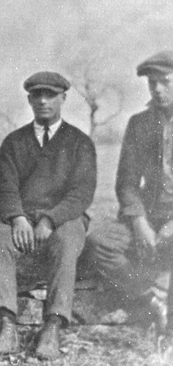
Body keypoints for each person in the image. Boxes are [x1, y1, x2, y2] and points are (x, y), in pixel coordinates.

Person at [0, 72, 97, 359]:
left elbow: (81, 194)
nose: (43, 101)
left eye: (50, 95)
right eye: (37, 96)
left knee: (67, 242)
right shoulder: (14, 142)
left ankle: (53, 327)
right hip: (22, 216)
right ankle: (7, 327)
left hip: (64, 218)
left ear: (63, 99)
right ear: (30, 99)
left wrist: (50, 219)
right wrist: (17, 218)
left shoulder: (79, 142)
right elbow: (5, 188)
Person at [88, 51, 173, 334]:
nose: (158, 90)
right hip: (149, 216)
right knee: (101, 243)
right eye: (152, 84)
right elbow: (126, 182)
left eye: (165, 81)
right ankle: (149, 298)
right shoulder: (141, 123)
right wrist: (139, 222)